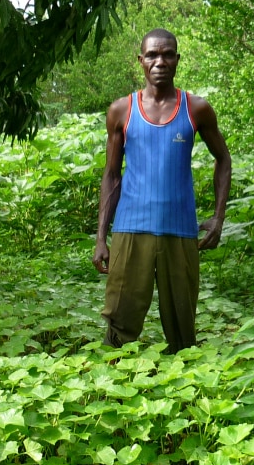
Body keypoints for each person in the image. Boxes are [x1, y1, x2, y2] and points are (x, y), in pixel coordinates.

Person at [92, 28, 232, 354]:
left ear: (177, 60)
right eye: (152, 55)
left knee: (183, 328)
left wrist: (218, 218)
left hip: (180, 231)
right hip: (130, 230)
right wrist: (101, 237)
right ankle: (115, 388)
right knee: (119, 324)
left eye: (168, 54)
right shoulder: (121, 111)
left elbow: (223, 159)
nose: (160, 62)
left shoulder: (196, 109)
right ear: (140, 61)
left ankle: (184, 393)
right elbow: (112, 176)